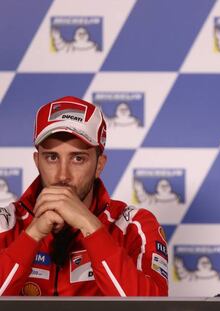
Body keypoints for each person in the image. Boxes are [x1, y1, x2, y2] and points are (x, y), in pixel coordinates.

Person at [0, 96, 168, 296]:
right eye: (52, 157)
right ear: (37, 161)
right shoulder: (5, 224)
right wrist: (32, 235)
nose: (63, 175)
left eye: (78, 158)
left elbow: (154, 307)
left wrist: (90, 227)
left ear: (99, 165)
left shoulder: (134, 225)